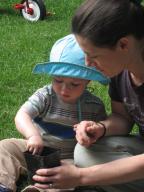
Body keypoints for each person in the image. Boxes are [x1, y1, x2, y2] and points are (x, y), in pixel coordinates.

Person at [32, 0, 144, 192]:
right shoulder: (121, 71)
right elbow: (122, 118)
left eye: (93, 55)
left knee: (89, 167)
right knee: (85, 153)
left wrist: (82, 177)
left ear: (123, 44)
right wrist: (100, 128)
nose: (88, 64)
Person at [0, 34, 109, 192]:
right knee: (5, 147)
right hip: (36, 150)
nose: (65, 89)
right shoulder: (46, 95)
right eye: (58, 81)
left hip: (69, 159)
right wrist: (32, 136)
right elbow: (22, 115)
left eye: (74, 84)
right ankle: (3, 185)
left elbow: (103, 137)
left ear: (88, 81)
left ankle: (39, 190)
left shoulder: (94, 106)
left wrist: (92, 133)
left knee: (66, 177)